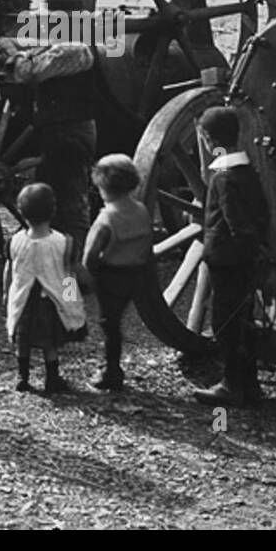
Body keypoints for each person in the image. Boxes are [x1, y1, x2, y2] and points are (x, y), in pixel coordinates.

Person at [0, 0, 100, 276]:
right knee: (57, 196)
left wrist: (9, 51)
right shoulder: (61, 46)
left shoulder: (75, 49)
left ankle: (76, 268)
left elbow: (32, 70)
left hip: (71, 132)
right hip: (59, 132)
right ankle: (56, 262)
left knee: (71, 201)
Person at [193, 106, 269, 408]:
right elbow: (260, 216)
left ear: (209, 139)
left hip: (228, 262)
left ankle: (231, 385)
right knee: (245, 323)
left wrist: (242, 252)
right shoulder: (248, 172)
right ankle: (249, 385)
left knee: (226, 325)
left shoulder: (222, 178)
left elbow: (237, 223)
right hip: (244, 261)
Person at [3, 182, 87, 395]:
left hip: (24, 302)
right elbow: (69, 273)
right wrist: (70, 298)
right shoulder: (63, 242)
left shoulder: (15, 241)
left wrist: (6, 293)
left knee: (22, 343)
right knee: (49, 344)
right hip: (48, 304)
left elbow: (9, 270)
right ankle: (52, 379)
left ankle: (23, 378)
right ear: (53, 210)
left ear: (21, 212)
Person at [82, 153, 152, 391]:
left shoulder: (106, 219)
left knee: (108, 325)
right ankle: (112, 367)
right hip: (135, 273)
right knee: (115, 320)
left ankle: (112, 371)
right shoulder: (141, 210)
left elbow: (89, 258)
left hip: (110, 275)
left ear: (102, 187)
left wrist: (86, 281)